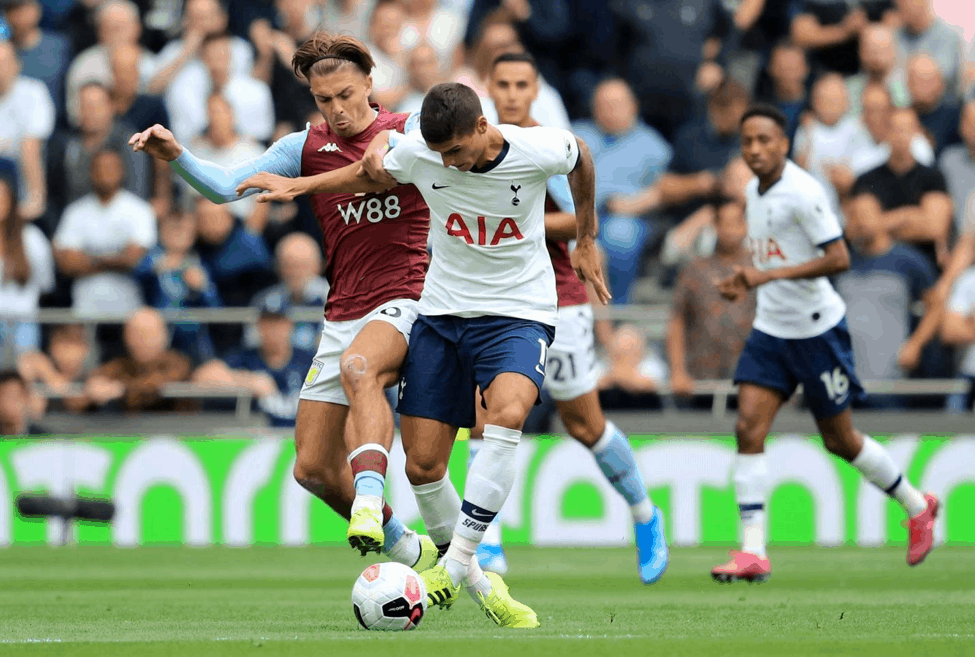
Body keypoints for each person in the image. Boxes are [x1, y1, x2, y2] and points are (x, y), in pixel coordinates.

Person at [236, 81, 608, 625]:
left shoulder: (535, 149)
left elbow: (582, 156)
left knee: (505, 415)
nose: (449, 165)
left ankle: (454, 566)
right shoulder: (423, 153)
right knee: (423, 464)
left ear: (483, 128)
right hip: (441, 314)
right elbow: (368, 174)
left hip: (518, 312)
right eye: (440, 156)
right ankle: (482, 584)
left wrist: (587, 237)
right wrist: (299, 186)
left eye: (456, 152)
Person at [130, 32, 443, 589]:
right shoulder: (303, 145)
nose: (339, 109)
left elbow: (378, 170)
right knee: (313, 469)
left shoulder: (409, 128)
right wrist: (177, 156)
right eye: (325, 101)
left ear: (370, 83)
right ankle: (405, 546)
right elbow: (230, 187)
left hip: (407, 295)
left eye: (347, 94)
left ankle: (370, 501)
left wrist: (303, 186)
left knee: (360, 370)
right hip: (343, 309)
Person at [710, 104, 938, 583]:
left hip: (817, 331)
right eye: (747, 141)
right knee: (749, 428)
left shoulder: (805, 193)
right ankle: (753, 551)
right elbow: (772, 256)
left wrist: (763, 276)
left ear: (784, 144)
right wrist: (748, 283)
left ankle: (917, 505)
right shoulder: (753, 192)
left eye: (764, 140)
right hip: (772, 329)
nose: (754, 149)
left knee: (840, 440)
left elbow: (838, 258)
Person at [463, 52, 667, 584]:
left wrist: (520, 217)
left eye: (521, 85)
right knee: (485, 418)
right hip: (501, 299)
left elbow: (577, 214)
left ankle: (646, 514)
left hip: (561, 299)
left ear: (535, 91)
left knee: (584, 424)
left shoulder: (548, 147)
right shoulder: (470, 145)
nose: (511, 94)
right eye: (502, 84)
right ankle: (487, 546)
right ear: (489, 88)